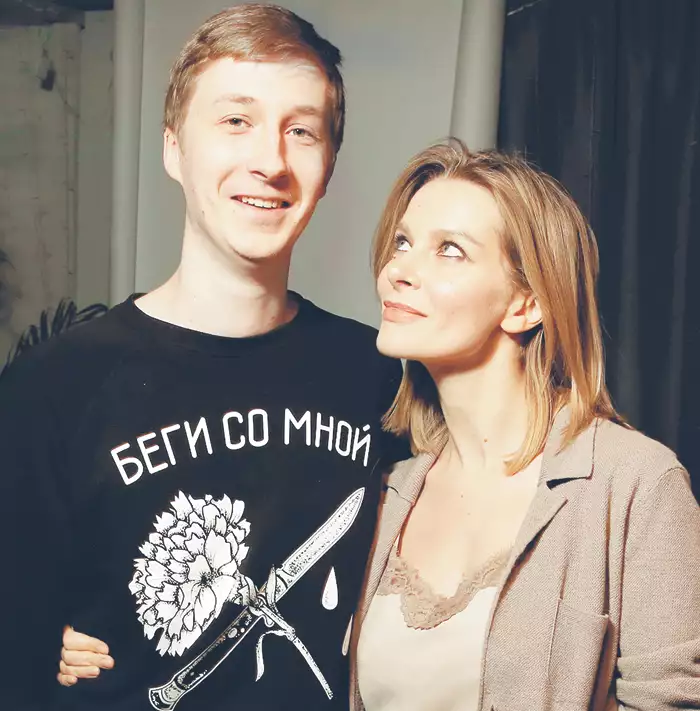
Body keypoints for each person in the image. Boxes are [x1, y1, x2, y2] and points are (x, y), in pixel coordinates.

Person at [56, 140, 700, 710]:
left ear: (526, 302)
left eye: (450, 251)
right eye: (403, 242)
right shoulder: (387, 486)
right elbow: (260, 601)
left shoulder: (632, 486)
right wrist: (80, 636)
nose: (399, 270)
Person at [1, 6, 406, 711]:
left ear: (328, 167)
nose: (271, 161)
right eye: (235, 120)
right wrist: (33, 640)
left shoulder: (373, 373)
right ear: (172, 148)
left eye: (301, 131)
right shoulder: (52, 387)